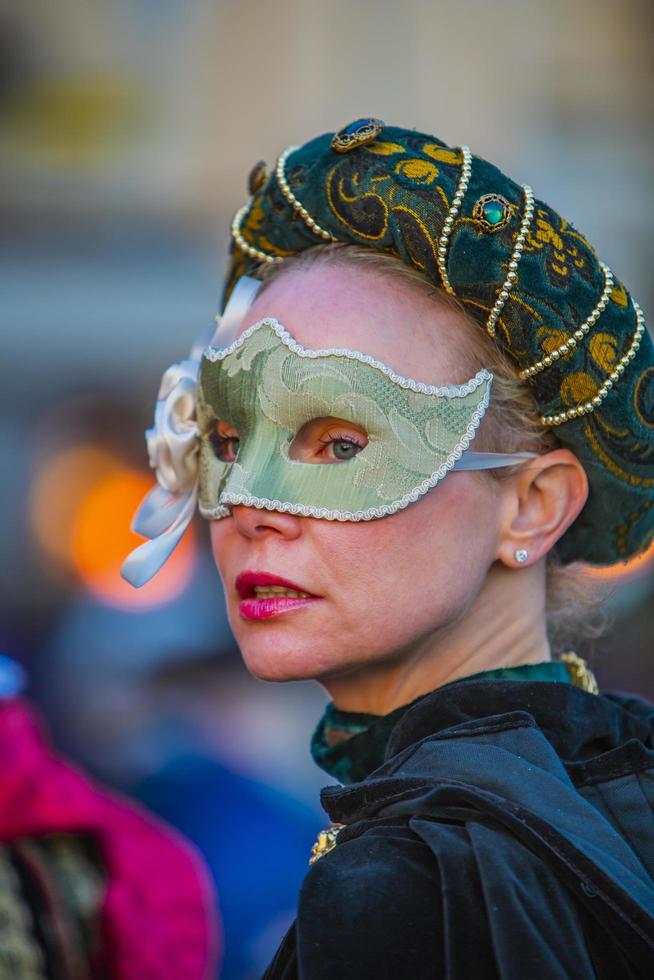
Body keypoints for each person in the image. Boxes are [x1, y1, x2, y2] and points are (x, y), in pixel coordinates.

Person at [123, 119, 654, 977]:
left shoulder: (410, 886)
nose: (253, 509)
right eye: (224, 441)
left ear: (531, 507)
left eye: (339, 444)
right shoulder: (617, 781)